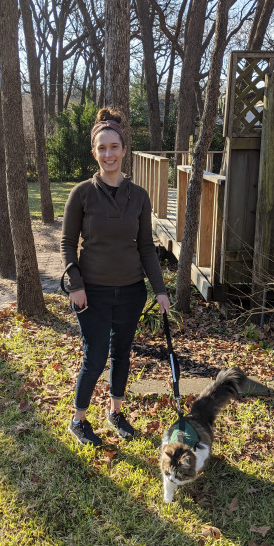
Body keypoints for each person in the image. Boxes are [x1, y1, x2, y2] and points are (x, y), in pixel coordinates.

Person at [61, 107, 170, 446]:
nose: (108, 154)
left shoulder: (138, 196)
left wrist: (160, 290)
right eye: (102, 148)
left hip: (131, 292)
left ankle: (115, 412)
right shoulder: (81, 193)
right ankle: (78, 420)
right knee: (94, 356)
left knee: (122, 352)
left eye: (114, 147)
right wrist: (76, 285)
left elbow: (146, 247)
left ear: (124, 150)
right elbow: (67, 243)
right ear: (95, 153)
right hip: (91, 293)